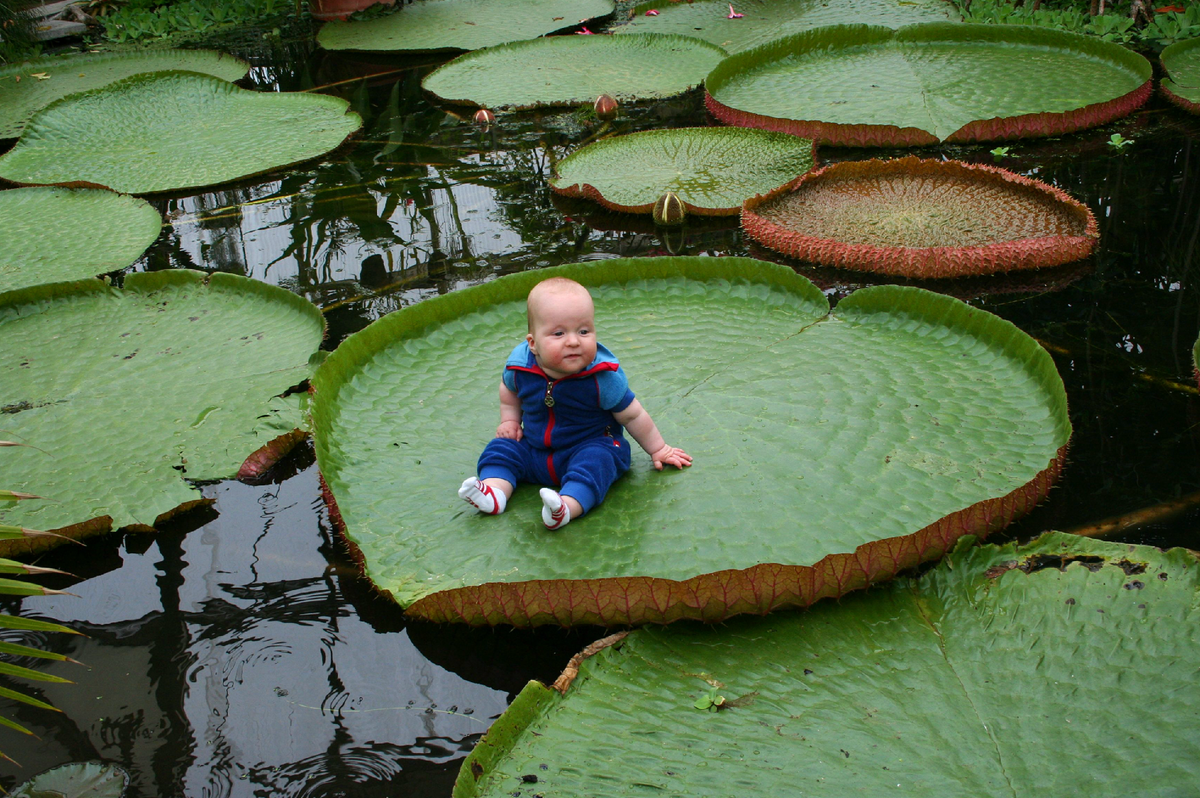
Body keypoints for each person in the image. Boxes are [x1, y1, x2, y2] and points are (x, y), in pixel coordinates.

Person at [458, 276, 692, 530]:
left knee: (597, 462)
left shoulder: (602, 378)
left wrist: (659, 449)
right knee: (502, 449)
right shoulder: (520, 368)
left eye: (583, 331)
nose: (573, 341)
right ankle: (495, 494)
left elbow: (632, 415)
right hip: (534, 450)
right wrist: (510, 420)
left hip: (588, 446)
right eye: (558, 333)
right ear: (533, 344)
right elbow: (509, 390)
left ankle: (566, 507)